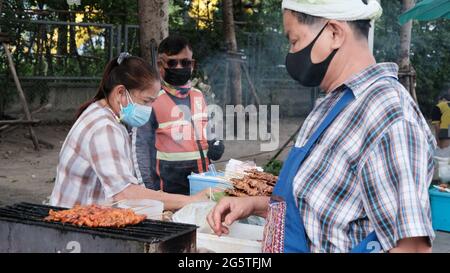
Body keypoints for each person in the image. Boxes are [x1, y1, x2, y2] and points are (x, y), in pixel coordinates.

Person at [208, 0, 436, 253]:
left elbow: (412, 247)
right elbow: (321, 212)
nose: (291, 52)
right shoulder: (333, 103)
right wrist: (254, 205)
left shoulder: (387, 113)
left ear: (334, 33)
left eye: (295, 40)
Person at [49, 53, 208, 211]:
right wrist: (191, 200)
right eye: (146, 101)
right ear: (120, 93)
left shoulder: (103, 112)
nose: (149, 108)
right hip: (72, 224)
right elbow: (125, 194)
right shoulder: (104, 128)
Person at [134, 35, 224, 194]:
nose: (179, 67)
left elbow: (209, 130)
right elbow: (141, 151)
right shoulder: (150, 102)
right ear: (160, 65)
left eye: (185, 62)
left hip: (203, 184)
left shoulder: (199, 96)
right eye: (172, 62)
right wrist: (150, 191)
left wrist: (216, 141)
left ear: (192, 64)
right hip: (169, 191)